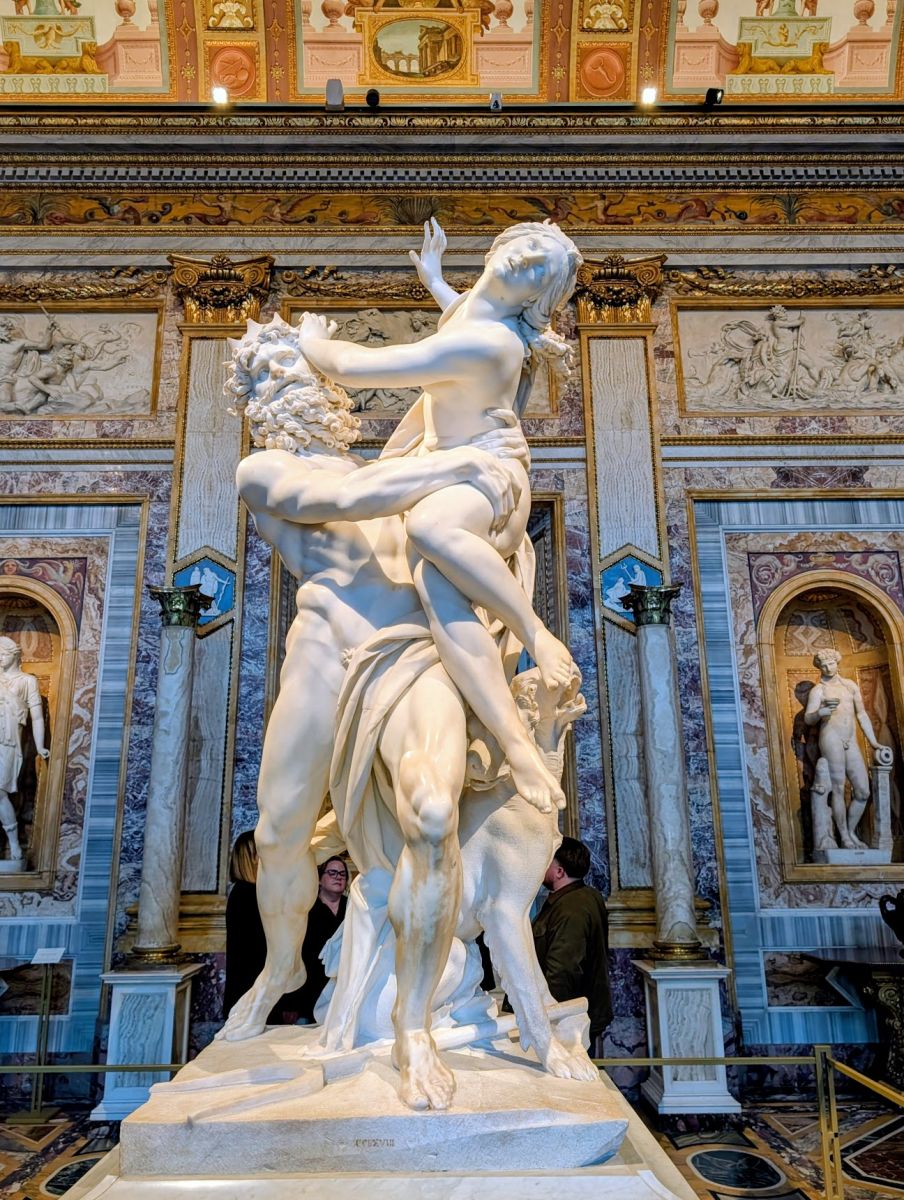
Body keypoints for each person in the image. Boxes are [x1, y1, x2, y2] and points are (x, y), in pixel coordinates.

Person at [298, 219, 582, 815]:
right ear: (502, 246)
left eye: (540, 266)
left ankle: (535, 632)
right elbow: (465, 312)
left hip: (487, 478)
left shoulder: (489, 343)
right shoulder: (479, 317)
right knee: (434, 583)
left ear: (535, 295)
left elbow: (356, 367)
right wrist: (435, 281)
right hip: (451, 468)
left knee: (428, 528)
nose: (526, 258)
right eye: (528, 246)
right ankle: (516, 746)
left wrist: (312, 340)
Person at [532, 836, 612, 1054]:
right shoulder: (584, 896)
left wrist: (548, 1019)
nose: (539, 866)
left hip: (568, 1021)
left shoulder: (571, 908)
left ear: (559, 872)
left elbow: (563, 970)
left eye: (546, 861)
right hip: (578, 1015)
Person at [804, 648, 884, 851]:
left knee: (863, 791)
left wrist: (874, 742)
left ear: (837, 663)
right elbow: (808, 718)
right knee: (838, 788)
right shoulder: (818, 690)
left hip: (851, 740)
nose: (827, 668)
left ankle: (851, 830)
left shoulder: (850, 686)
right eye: (823, 665)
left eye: (830, 663)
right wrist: (820, 712)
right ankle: (845, 837)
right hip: (831, 738)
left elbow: (862, 714)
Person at [0, 635, 49, 865]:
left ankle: (14, 844)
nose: (0, 658)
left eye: (3, 654)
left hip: (8, 743)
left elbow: (37, 717)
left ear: (15, 655)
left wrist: (40, 745)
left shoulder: (27, 681)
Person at [282, 855, 349, 1023]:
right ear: (319, 879)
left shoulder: (353, 908)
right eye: (332, 873)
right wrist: (290, 1001)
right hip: (309, 992)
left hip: (343, 991)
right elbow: (292, 955)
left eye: (342, 874)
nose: (338, 877)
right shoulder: (306, 910)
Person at [223, 831, 271, 1021]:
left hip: (250, 990)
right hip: (251, 991)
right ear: (251, 858)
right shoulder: (247, 895)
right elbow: (257, 947)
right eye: (263, 851)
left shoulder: (244, 892)